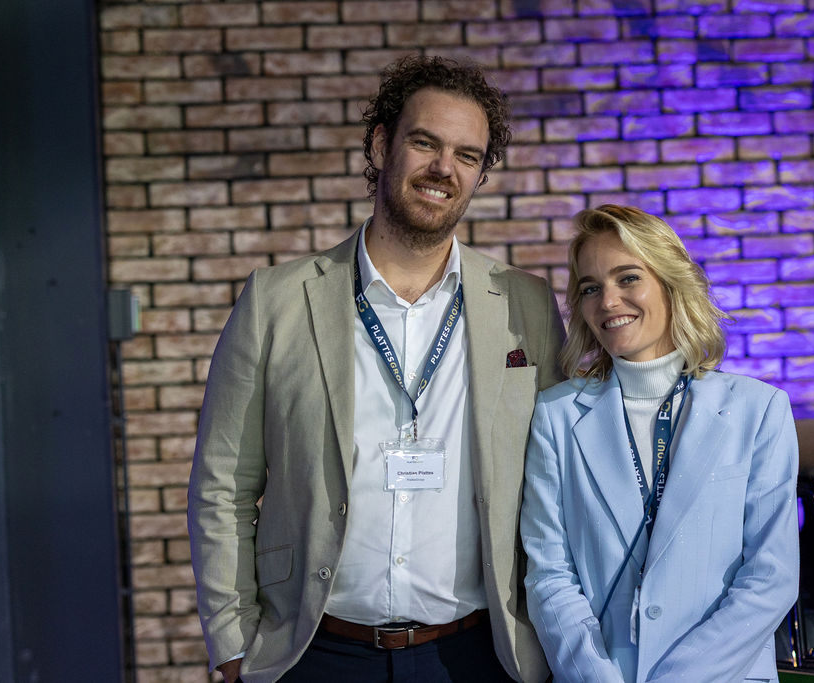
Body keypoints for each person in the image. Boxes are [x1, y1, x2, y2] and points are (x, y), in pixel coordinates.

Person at [188, 55, 564, 683]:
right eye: (425, 143)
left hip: (476, 656)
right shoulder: (275, 301)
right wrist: (231, 644)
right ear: (381, 144)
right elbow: (222, 484)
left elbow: (560, 484)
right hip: (314, 655)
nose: (444, 168)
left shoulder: (525, 304)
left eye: (467, 155)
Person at [520, 204, 798, 682]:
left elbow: (771, 577)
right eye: (590, 288)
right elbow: (550, 573)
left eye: (628, 278)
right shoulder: (556, 415)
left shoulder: (759, 410)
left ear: (671, 284)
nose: (608, 301)